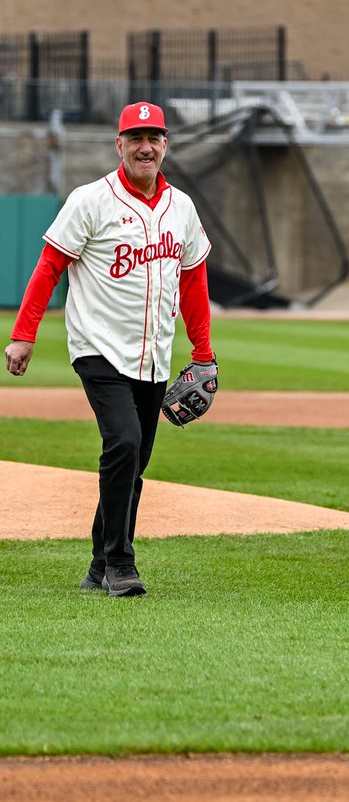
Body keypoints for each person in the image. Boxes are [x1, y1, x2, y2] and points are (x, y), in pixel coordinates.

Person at [4, 102, 215, 598]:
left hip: (154, 355)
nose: (146, 146)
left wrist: (204, 354)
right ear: (118, 145)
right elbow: (49, 266)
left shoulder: (180, 207)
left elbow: (194, 281)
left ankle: (99, 563)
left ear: (166, 145)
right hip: (97, 347)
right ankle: (122, 563)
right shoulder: (90, 200)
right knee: (122, 442)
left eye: (155, 137)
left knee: (134, 460)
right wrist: (23, 334)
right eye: (135, 137)